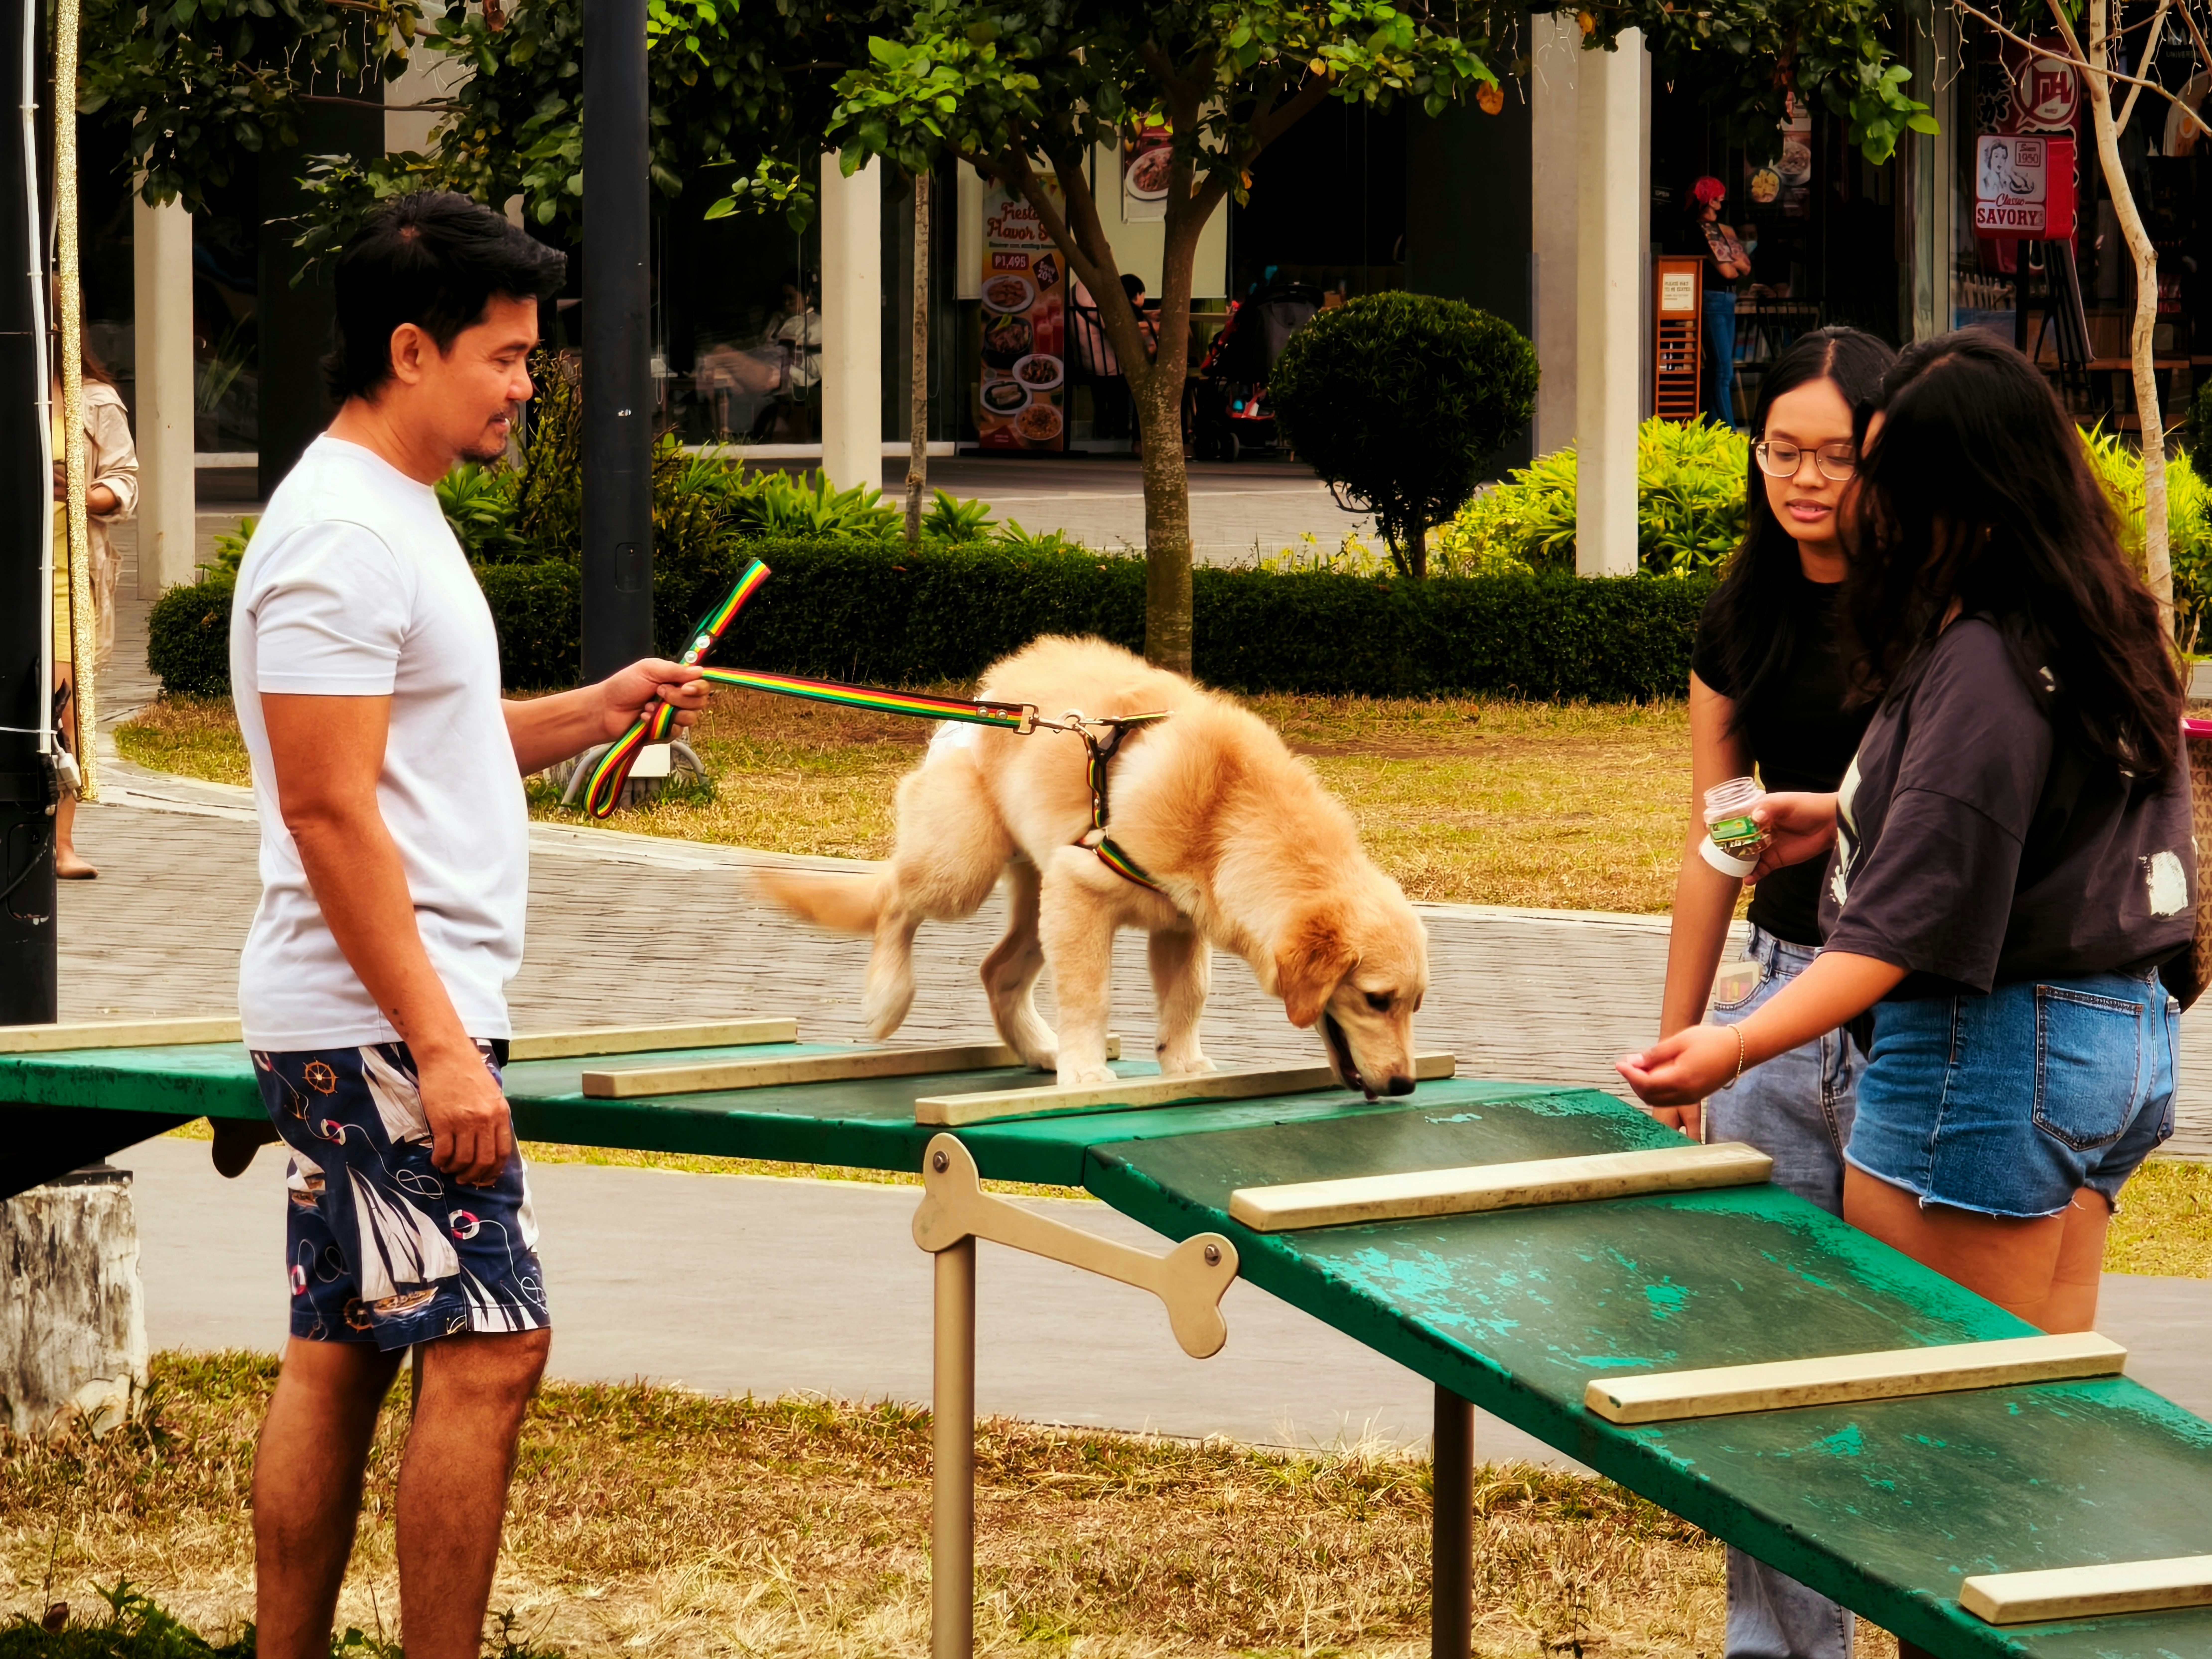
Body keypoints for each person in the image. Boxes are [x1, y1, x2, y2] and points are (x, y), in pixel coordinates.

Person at [227, 192, 707, 1659]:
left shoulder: (389, 511)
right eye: (504, 357)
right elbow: (327, 809)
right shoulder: (338, 539)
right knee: (494, 1346)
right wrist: (440, 1044)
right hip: (381, 1016)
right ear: (412, 346)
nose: (524, 384)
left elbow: (428, 746)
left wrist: (597, 706)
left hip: (372, 1008)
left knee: (346, 1348)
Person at [1621, 332, 2193, 1353]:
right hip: (2113, 1043)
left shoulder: (1977, 658)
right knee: (2028, 1401)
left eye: (1873, 470)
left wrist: (1731, 1041)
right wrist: (1835, 812)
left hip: (1985, 1054)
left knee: (1923, 1423)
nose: (1856, 498)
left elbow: (1902, 925)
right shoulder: (2100, 617)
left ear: (1961, 490)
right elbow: (2051, 834)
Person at [1652, 326, 1894, 1659]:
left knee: (1897, 1359)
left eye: (1833, 458)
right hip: (1774, 1006)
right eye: (1779, 453)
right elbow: (1717, 835)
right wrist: (1687, 1038)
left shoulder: (1932, 613)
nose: (1801, 482)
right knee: (1758, 1370)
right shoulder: (1741, 614)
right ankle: (1781, 1647)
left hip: (1914, 1024)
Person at [49, 341, 140, 879]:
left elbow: (127, 481)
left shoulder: (96, 400)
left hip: (67, 575)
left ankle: (62, 843)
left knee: (65, 710)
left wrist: (85, 494)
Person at [1669, 177, 1754, 426]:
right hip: (1712, 297)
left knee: (1722, 369)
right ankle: (1727, 429)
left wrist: (1726, 255)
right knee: (1721, 369)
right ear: (1709, 199)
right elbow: (1730, 272)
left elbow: (1744, 268)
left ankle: (1714, 427)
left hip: (1725, 298)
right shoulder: (1701, 230)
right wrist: (1729, 255)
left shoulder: (1722, 230)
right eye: (1718, 196)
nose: (1722, 201)